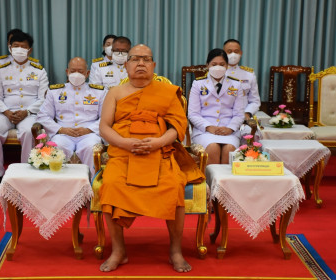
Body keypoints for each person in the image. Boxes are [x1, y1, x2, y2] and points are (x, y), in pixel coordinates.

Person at [99, 44, 203, 273]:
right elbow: (104, 128)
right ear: (126, 65)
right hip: (124, 155)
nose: (140, 63)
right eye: (135, 59)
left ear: (154, 65)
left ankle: (175, 251)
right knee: (111, 184)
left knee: (174, 185)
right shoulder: (115, 93)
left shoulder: (166, 92)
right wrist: (126, 143)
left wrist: (158, 142)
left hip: (159, 153)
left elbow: (178, 126)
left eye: (146, 59)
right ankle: (119, 250)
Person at [0, 32, 48, 189]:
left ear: (30, 50)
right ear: (10, 48)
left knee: (28, 132)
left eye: (23, 47)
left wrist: (27, 112)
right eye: (16, 46)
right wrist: (6, 111)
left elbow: (43, 98)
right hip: (4, 112)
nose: (19, 49)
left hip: (29, 113)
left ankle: (25, 173)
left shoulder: (39, 70)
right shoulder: (1, 69)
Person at [36, 57, 107, 177]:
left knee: (91, 147)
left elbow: (105, 117)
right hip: (63, 133)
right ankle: (60, 185)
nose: (76, 74)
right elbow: (43, 116)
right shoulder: (54, 91)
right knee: (57, 146)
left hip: (89, 134)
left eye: (80, 71)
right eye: (73, 71)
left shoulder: (99, 92)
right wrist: (60, 129)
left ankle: (90, 186)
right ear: (67, 72)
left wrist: (88, 129)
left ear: (87, 73)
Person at [188, 48, 246, 165]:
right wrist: (209, 127)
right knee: (213, 148)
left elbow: (239, 114)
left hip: (229, 131)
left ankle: (224, 183)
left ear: (227, 65)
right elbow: (193, 114)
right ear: (207, 65)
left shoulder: (236, 84)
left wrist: (230, 128)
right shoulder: (198, 84)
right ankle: (209, 182)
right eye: (214, 64)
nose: (218, 67)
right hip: (204, 131)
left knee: (229, 149)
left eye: (222, 64)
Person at [223, 39, 261, 120]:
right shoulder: (216, 72)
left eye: (236, 51)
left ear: (241, 53)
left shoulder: (249, 74)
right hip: (220, 117)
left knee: (252, 132)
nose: (233, 54)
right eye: (229, 51)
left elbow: (255, 101)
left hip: (243, 116)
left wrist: (247, 113)